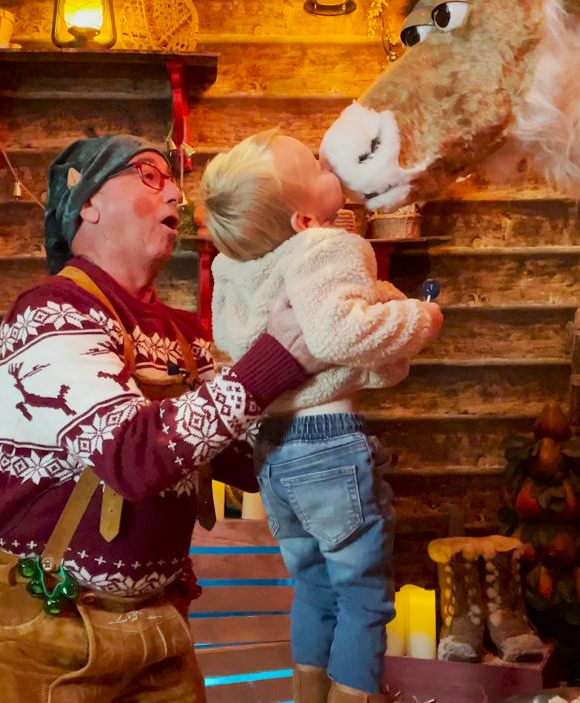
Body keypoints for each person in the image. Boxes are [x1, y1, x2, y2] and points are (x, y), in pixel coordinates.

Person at [0, 134, 322, 703]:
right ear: (88, 204)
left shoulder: (185, 333)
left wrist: (329, 420)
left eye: (172, 181)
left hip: (159, 624)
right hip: (40, 629)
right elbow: (132, 456)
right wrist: (274, 359)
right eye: (149, 175)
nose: (175, 193)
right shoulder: (51, 311)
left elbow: (243, 460)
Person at [200, 129, 443, 703]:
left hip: (274, 447)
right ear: (303, 221)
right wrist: (422, 319)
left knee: (313, 585)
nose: (326, 162)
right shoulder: (326, 246)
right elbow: (338, 335)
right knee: (363, 595)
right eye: (315, 167)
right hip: (328, 442)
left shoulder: (236, 268)